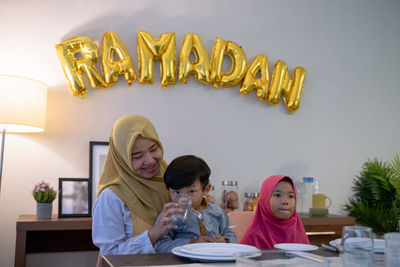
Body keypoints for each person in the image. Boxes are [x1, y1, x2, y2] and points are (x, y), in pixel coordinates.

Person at [92, 114, 181, 255]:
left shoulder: (173, 181)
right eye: (137, 156)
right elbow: (109, 255)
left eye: (153, 149)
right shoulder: (111, 197)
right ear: (123, 159)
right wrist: (153, 234)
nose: (150, 160)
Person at [154, 155, 237, 252]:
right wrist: (191, 243)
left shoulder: (217, 212)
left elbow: (231, 235)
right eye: (177, 192)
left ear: (206, 189)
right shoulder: (169, 216)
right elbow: (160, 245)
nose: (183, 198)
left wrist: (224, 241)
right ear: (168, 190)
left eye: (191, 192)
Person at [240, 175, 309, 249]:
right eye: (278, 195)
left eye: (290, 196)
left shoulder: (298, 232)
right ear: (265, 199)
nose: (285, 201)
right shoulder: (254, 236)